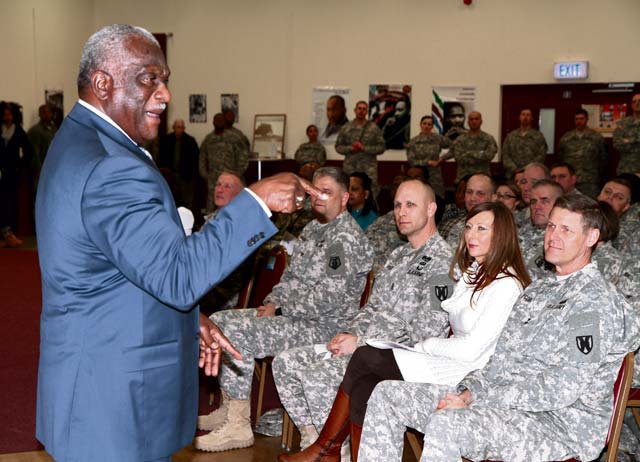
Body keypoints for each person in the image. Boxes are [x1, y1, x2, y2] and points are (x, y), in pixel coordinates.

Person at [35, 24, 318, 462]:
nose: (164, 94)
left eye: (164, 79)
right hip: (113, 398)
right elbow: (177, 277)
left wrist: (190, 320)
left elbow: (113, 266)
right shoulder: (113, 166)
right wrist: (255, 201)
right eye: (149, 78)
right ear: (103, 83)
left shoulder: (81, 140)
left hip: (93, 376)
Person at [287, 201, 529, 462]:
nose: (471, 235)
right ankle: (337, 452)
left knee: (367, 357)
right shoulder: (475, 271)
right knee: (367, 383)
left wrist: (425, 345)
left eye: (482, 228)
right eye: (469, 227)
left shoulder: (507, 284)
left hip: (469, 371)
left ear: (501, 235)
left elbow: (472, 350)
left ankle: (327, 448)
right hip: (446, 358)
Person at [408, 195, 640, 462]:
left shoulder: (594, 303)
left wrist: (478, 400)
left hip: (560, 425)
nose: (553, 236)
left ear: (591, 238)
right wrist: (468, 391)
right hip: (513, 409)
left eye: (566, 229)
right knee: (390, 395)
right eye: (551, 226)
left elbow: (562, 388)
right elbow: (499, 361)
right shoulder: (538, 291)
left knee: (447, 423)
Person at [194, 166, 374, 453]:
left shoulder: (346, 238)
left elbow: (329, 299)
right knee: (218, 321)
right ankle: (233, 406)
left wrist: (280, 310)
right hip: (293, 317)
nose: (318, 197)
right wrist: (273, 302)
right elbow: (290, 279)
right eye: (314, 191)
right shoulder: (313, 229)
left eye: (327, 192)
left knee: (238, 331)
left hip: (324, 327)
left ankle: (239, 425)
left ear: (344, 198)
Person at [273, 178, 453, 456]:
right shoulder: (398, 255)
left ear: (430, 209)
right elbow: (370, 308)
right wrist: (347, 335)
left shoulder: (442, 261)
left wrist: (361, 342)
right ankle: (316, 439)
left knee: (316, 375)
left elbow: (426, 332)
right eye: (397, 205)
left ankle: (333, 449)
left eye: (410, 205)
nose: (401, 212)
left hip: (396, 359)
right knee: (286, 363)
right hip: (363, 346)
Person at [198, 171, 251, 314]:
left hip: (222, 295)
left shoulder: (240, 224)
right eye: (218, 185)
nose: (220, 190)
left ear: (241, 195)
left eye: (227, 186)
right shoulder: (213, 218)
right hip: (205, 285)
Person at [199, 112, 249, 212]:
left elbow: (243, 155)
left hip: (230, 180)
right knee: (211, 206)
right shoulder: (209, 139)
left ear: (224, 122)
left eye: (221, 120)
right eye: (216, 120)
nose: (218, 122)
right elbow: (202, 157)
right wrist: (204, 174)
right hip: (213, 179)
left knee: (233, 205)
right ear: (213, 122)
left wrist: (237, 174)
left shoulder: (234, 137)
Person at [335, 100, 386, 197]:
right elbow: (338, 147)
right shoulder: (346, 127)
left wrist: (364, 148)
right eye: (359, 108)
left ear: (367, 111)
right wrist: (351, 148)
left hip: (369, 167)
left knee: (371, 192)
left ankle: (371, 211)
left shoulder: (373, 128)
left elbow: (382, 147)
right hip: (350, 167)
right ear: (355, 110)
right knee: (348, 191)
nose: (361, 111)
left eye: (364, 109)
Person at [518, 179, 564, 279]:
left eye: (545, 201)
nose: (537, 207)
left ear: (560, 205)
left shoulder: (564, 239)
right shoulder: (516, 231)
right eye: (533, 202)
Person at [0, 101, 32, 247]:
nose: (8, 117)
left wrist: (21, 166)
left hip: (12, 172)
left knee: (10, 202)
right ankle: (3, 234)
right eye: (5, 114)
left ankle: (10, 232)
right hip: (1, 170)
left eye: (10, 114)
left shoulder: (18, 131)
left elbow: (28, 151)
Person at [557, 108, 607, 197]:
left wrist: (595, 173)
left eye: (581, 119)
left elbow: (603, 157)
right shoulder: (566, 138)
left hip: (590, 181)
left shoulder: (596, 137)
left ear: (587, 120)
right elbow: (560, 157)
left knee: (590, 205)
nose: (579, 121)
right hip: (570, 180)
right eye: (576, 119)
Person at [439, 173, 496, 248]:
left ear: (493, 198)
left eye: (480, 193)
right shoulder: (458, 227)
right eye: (469, 192)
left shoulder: (502, 227)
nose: (473, 198)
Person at [443, 111, 498, 183]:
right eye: (471, 119)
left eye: (476, 119)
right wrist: (480, 154)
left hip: (483, 178)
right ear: (468, 122)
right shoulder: (460, 139)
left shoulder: (488, 139)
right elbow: (459, 157)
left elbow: (489, 156)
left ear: (481, 121)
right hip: (463, 178)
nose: (474, 121)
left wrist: (468, 153)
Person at [158, 118, 200, 209]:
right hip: (169, 175)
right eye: (178, 127)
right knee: (171, 200)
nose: (179, 130)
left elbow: (195, 160)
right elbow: (161, 157)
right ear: (173, 128)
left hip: (185, 176)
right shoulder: (166, 140)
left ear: (184, 128)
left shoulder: (190, 141)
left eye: (181, 128)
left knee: (186, 202)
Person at [405, 115, 451, 198]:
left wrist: (442, 159)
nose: (426, 126)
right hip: (419, 176)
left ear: (432, 126)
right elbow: (411, 161)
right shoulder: (414, 141)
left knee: (437, 198)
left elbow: (455, 146)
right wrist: (427, 162)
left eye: (429, 124)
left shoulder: (438, 138)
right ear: (420, 125)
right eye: (424, 123)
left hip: (435, 175)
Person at [501, 108, 548, 179]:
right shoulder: (511, 136)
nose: (525, 117)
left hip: (532, 174)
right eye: (523, 115)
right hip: (512, 174)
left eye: (528, 115)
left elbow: (541, 155)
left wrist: (527, 169)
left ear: (532, 118)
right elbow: (505, 154)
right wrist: (514, 169)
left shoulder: (538, 136)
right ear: (519, 117)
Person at [513, 162, 551, 227]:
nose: (526, 188)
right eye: (524, 182)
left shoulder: (553, 218)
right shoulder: (515, 218)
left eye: (534, 182)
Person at [613, 93, 640, 174]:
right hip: (626, 168)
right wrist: (636, 139)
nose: (637, 103)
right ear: (631, 105)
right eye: (634, 101)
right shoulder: (622, 123)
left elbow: (623, 143)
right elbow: (617, 145)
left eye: (639, 101)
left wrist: (628, 140)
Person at [27, 103, 57, 176]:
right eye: (44, 112)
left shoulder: (54, 128)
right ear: (39, 115)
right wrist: (40, 170)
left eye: (48, 112)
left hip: (53, 166)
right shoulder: (35, 130)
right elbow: (35, 152)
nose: (47, 115)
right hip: (41, 169)